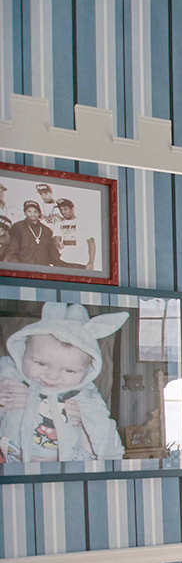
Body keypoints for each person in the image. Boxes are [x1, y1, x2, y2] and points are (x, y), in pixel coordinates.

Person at [0, 302, 127, 463]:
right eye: (41, 363)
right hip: (11, 457)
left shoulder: (83, 393)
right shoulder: (10, 374)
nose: (51, 376)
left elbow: (102, 427)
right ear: (23, 353)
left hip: (65, 460)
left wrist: (112, 460)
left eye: (69, 370)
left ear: (87, 370)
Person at [3, 201, 62, 267]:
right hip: (24, 268)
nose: (32, 214)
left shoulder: (46, 230)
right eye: (29, 211)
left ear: (39, 213)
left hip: (43, 268)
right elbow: (12, 251)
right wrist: (18, 267)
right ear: (25, 213)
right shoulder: (17, 227)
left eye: (35, 212)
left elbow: (52, 251)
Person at [51, 198, 96, 269]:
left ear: (72, 209)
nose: (63, 212)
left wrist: (91, 262)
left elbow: (91, 243)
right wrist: (57, 243)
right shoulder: (59, 224)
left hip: (79, 262)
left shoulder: (82, 223)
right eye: (61, 210)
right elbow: (56, 238)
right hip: (62, 261)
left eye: (65, 209)